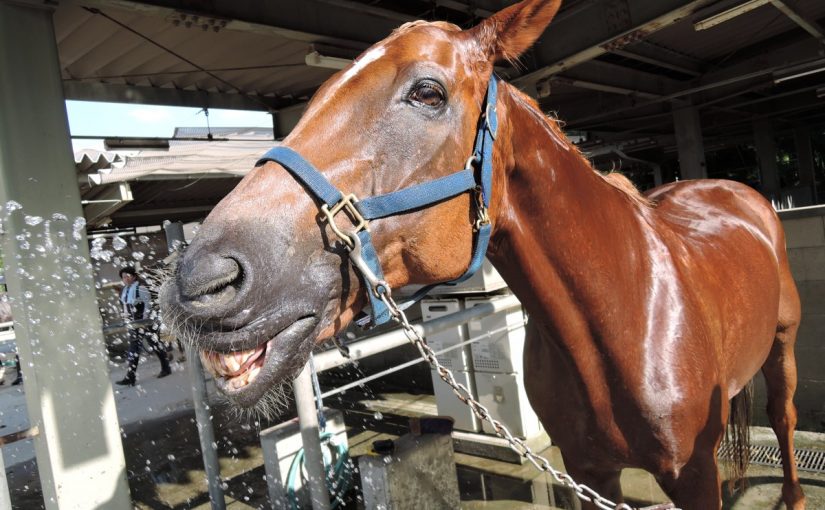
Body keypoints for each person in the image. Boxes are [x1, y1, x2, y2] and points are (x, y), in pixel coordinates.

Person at [116, 266, 171, 386]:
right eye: (124, 277)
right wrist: (126, 319)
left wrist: (144, 322)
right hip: (133, 323)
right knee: (134, 348)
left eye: (128, 276)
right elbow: (126, 308)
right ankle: (131, 376)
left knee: (155, 344)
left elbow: (147, 305)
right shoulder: (125, 291)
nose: (125, 279)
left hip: (145, 322)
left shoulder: (140, 288)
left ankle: (166, 367)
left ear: (134, 276)